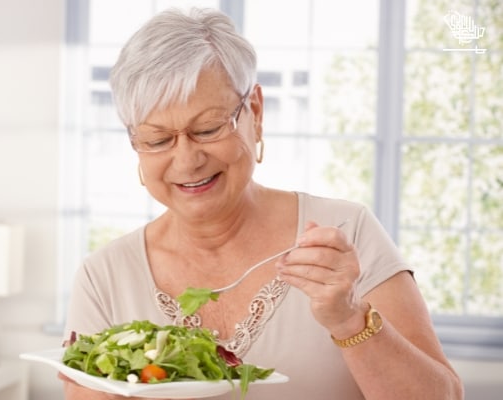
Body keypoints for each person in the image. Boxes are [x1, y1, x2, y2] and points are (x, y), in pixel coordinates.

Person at [62, 7, 463, 400]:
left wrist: (348, 318)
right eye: (157, 140)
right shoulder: (104, 278)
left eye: (208, 128)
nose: (186, 160)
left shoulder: (345, 232)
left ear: (255, 111)